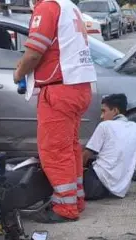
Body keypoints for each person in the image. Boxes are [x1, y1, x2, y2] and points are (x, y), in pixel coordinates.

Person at [13, 0, 98, 223]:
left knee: (54, 151)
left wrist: (19, 73)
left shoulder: (47, 7)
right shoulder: (69, 6)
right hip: (79, 86)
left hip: (60, 89)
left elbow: (33, 54)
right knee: (69, 148)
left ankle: (65, 207)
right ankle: (76, 199)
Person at [82, 94, 136, 201]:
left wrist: (77, 175)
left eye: (104, 111)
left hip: (94, 185)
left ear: (115, 111)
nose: (101, 116)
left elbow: (86, 155)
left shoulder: (104, 126)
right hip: (118, 190)